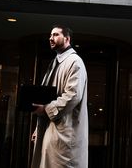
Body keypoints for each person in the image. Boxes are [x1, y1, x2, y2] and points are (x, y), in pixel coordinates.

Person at [31, 25, 88, 168]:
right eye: (50, 35)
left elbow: (73, 95)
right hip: (52, 131)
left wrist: (46, 109)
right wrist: (39, 128)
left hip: (64, 134)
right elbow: (47, 95)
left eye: (56, 35)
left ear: (67, 39)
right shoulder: (56, 62)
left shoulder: (75, 62)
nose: (51, 38)